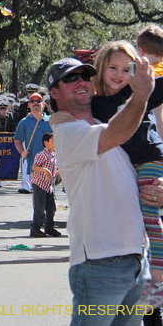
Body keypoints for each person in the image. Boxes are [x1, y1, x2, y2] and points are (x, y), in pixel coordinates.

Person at [48, 56, 163, 325]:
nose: (80, 82)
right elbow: (116, 133)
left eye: (85, 76)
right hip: (100, 262)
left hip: (137, 258)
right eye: (70, 78)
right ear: (54, 92)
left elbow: (140, 167)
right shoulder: (67, 130)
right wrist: (140, 95)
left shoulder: (107, 122)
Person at [86, 41, 163, 306]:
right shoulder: (93, 104)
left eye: (127, 68)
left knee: (149, 213)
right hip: (122, 174)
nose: (119, 74)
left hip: (150, 159)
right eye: (112, 68)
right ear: (100, 68)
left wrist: (150, 70)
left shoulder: (141, 92)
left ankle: (158, 278)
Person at [13, 92, 51, 195]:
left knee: (50, 197)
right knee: (38, 196)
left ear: (43, 104)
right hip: (34, 164)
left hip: (50, 163)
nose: (35, 103)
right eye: (32, 101)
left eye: (38, 101)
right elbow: (17, 141)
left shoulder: (51, 121)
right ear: (28, 105)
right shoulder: (24, 122)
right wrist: (22, 152)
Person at [30, 132, 61, 237]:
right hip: (39, 184)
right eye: (53, 141)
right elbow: (34, 167)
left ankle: (49, 228)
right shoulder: (42, 154)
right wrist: (44, 170)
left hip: (48, 186)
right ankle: (35, 228)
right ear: (46, 143)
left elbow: (55, 168)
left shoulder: (54, 155)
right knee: (40, 207)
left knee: (51, 207)